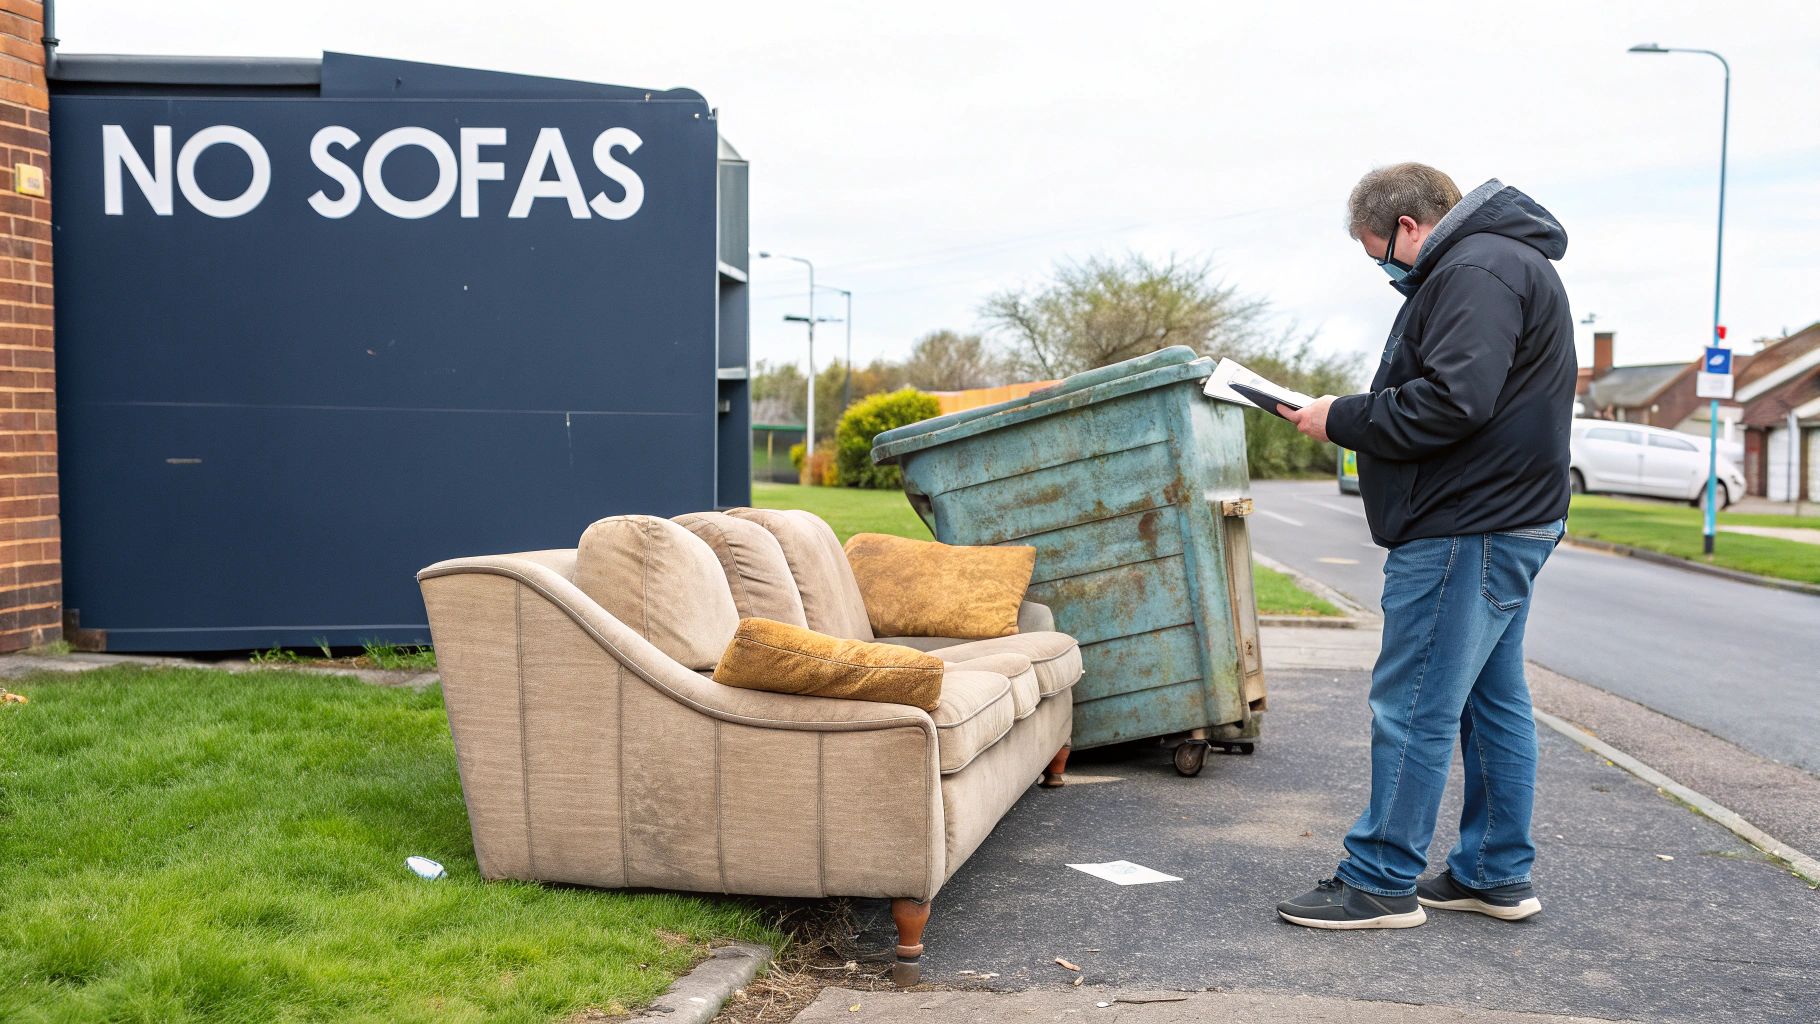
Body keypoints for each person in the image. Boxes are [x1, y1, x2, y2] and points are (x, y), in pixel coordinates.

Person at [1273, 163, 1577, 929]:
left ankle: (1379, 879)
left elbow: (1454, 400)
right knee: (1491, 702)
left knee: (1412, 705)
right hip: (1505, 517)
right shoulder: (1509, 260)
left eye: (1381, 254)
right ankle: (1492, 873)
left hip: (1465, 525)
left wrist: (1340, 416)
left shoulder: (1474, 267)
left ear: (1410, 227)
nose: (1386, 270)